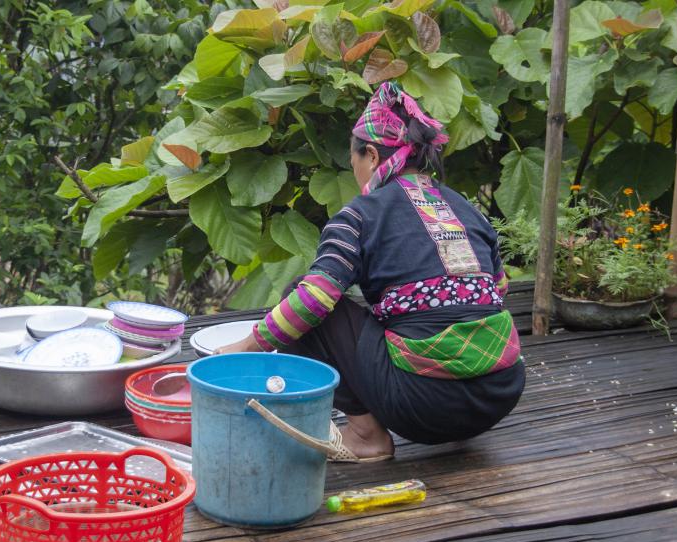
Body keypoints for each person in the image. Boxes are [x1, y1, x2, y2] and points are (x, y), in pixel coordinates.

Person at [215, 81, 525, 462]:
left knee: (304, 295)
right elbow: (498, 287)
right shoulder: (466, 208)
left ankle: (366, 435)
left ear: (372, 155)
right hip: (501, 393)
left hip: (422, 407)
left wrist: (242, 349)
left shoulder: (359, 217)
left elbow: (314, 299)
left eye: (354, 161)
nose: (355, 171)